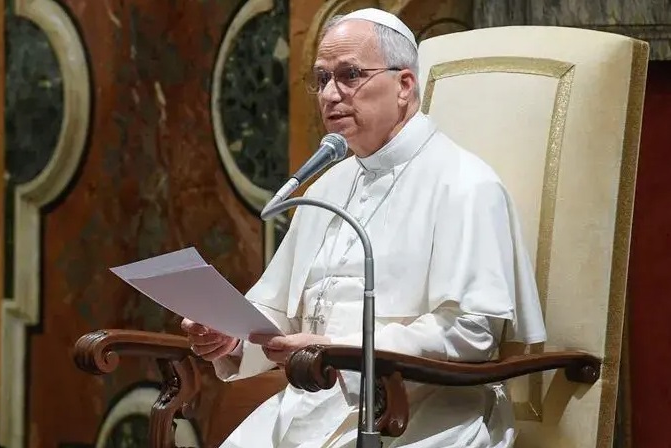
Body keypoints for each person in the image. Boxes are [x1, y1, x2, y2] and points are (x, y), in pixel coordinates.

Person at [181, 8, 546, 448]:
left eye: (349, 75)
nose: (330, 95)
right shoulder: (328, 185)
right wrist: (233, 338)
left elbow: (470, 330)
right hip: (310, 407)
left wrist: (339, 349)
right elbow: (283, 308)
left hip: (421, 415)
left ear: (405, 86)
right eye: (320, 79)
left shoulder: (466, 183)